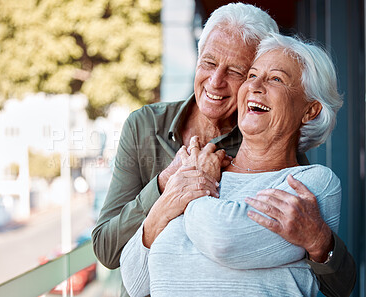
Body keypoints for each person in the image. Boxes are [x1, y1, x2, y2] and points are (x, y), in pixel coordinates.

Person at [91, 3, 356, 297]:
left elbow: (335, 283)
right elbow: (111, 253)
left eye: (236, 71)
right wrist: (165, 187)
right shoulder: (144, 126)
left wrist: (322, 242)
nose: (216, 81)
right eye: (208, 62)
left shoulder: (279, 162)